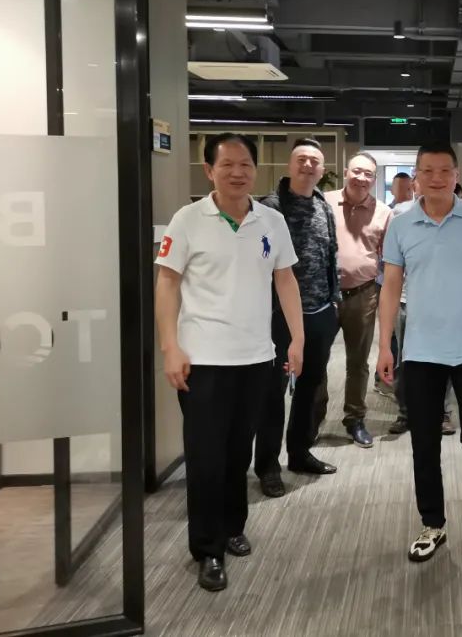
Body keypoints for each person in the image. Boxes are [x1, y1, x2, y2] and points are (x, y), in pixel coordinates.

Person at [155, 133, 304, 593]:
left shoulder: (271, 221)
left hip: (256, 358)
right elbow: (167, 284)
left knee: (239, 453)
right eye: (227, 165)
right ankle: (208, 548)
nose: (237, 173)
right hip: (202, 361)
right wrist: (170, 347)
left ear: (255, 170)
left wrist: (296, 339)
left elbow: (285, 280)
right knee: (206, 458)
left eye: (245, 165)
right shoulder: (188, 220)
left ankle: (233, 526)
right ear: (209, 171)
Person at [377, 142, 462, 562]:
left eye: (444, 171)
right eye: (428, 171)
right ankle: (432, 522)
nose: (436, 178)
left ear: (457, 174)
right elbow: (390, 287)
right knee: (425, 443)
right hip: (420, 351)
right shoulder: (401, 225)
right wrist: (384, 345)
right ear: (416, 176)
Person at [253, 138, 341, 498]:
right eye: (301, 159)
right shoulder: (268, 208)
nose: (308, 166)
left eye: (314, 161)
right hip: (279, 317)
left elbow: (330, 254)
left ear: (322, 170)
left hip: (319, 313)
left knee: (310, 387)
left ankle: (300, 453)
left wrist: (334, 301)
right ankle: (267, 466)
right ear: (289, 166)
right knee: (272, 393)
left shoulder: (323, 205)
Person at [323, 152, 391, 448]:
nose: (362, 178)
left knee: (358, 362)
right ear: (345, 171)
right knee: (316, 360)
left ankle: (355, 419)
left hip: (363, 295)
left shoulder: (384, 212)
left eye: (369, 174)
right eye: (357, 171)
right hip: (323, 296)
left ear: (374, 179)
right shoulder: (324, 202)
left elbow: (389, 259)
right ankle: (312, 418)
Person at [385, 175, 456, 437]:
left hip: (442, 303)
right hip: (407, 302)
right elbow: (391, 263)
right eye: (424, 176)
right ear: (415, 184)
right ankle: (405, 413)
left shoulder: (456, 216)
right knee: (404, 361)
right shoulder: (399, 215)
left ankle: (442, 412)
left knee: (444, 359)